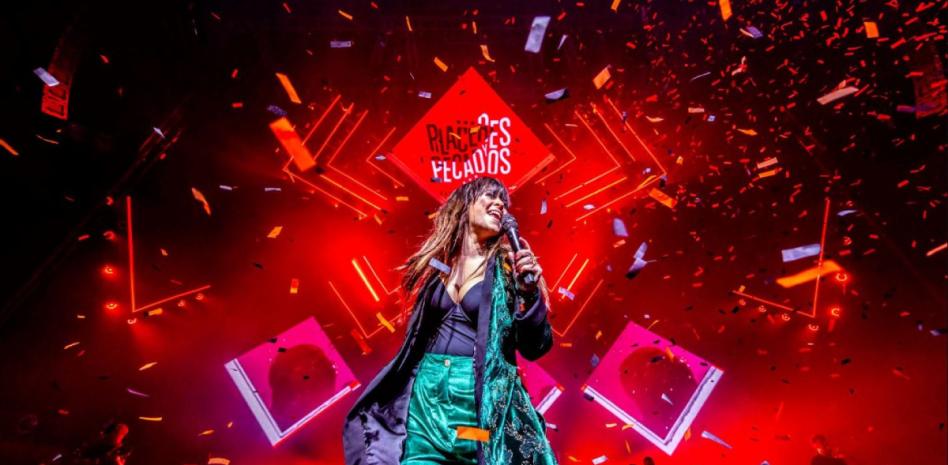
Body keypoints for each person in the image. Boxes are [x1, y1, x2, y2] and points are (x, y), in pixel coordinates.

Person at [343, 177, 557, 465]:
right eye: (490, 196)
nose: (499, 204)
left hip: (474, 407)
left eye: (503, 202)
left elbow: (535, 346)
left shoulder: (508, 268)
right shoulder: (438, 265)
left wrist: (529, 295)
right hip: (426, 404)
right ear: (465, 205)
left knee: (476, 451)